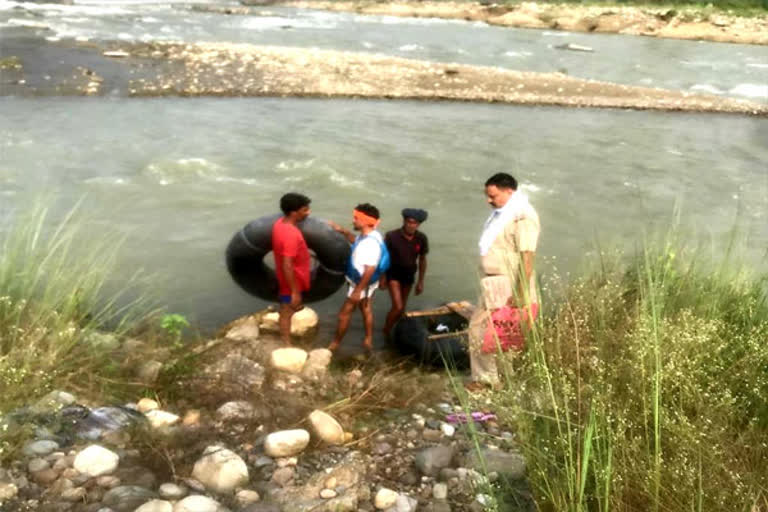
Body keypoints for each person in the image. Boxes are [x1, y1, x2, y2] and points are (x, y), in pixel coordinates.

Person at [466, 172, 540, 391]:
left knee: (480, 330)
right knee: (501, 331)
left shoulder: (522, 216)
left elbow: (528, 255)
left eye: (494, 196)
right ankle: (501, 378)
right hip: (495, 282)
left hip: (507, 282)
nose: (489, 200)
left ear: (509, 191)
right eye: (488, 196)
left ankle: (485, 380)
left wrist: (520, 291)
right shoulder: (503, 214)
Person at [327, 203, 388, 353]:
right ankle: (368, 339)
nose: (353, 220)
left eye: (356, 218)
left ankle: (335, 344)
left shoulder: (370, 245)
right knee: (366, 308)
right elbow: (357, 241)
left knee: (344, 314)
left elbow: (369, 269)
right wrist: (342, 231)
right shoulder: (372, 234)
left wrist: (357, 292)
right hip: (368, 284)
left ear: (366, 221)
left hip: (361, 284)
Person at [381, 208, 429, 337]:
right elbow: (383, 257)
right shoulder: (391, 236)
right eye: (409, 222)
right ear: (404, 221)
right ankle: (385, 331)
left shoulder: (421, 238)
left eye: (415, 223)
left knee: (402, 308)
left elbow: (422, 260)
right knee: (397, 306)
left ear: (419, 224)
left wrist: (420, 282)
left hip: (409, 276)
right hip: (393, 274)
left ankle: (397, 332)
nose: (411, 225)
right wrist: (382, 277)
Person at [271, 193, 312, 345]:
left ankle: (286, 340)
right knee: (286, 312)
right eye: (305, 210)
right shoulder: (291, 234)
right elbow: (287, 264)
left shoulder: (279, 224)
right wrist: (294, 291)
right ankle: (286, 344)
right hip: (291, 282)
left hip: (288, 277)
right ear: (294, 213)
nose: (308, 213)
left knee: (289, 307)